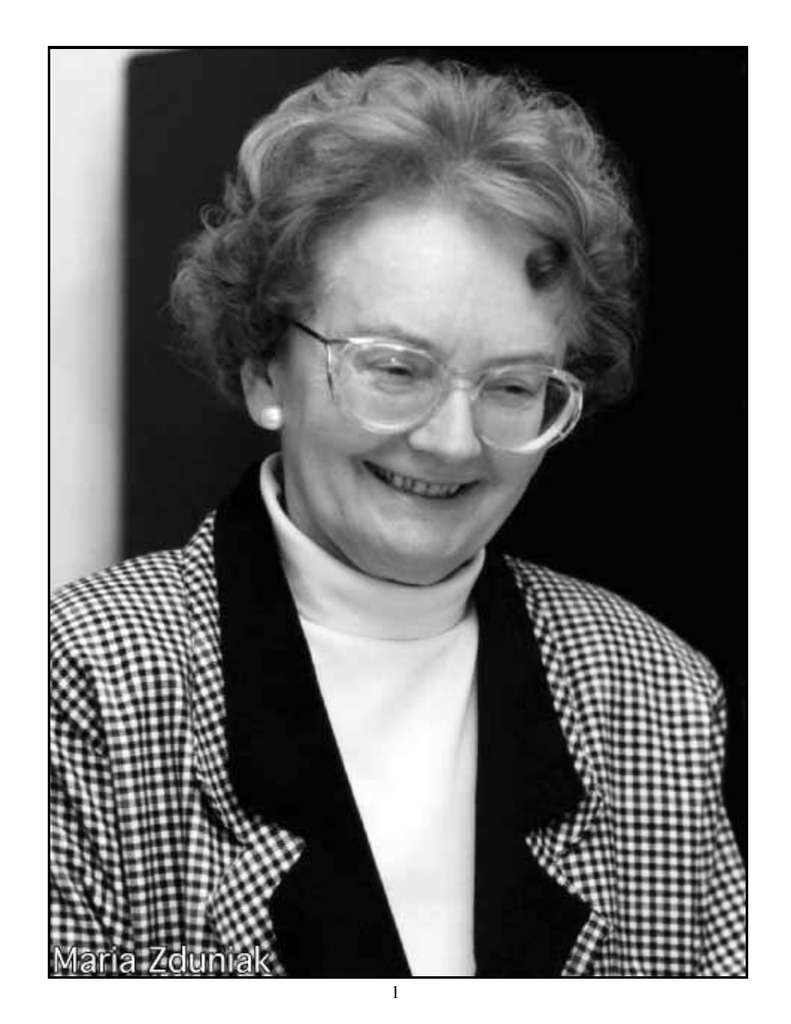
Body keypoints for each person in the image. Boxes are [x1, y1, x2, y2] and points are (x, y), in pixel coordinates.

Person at [49, 59, 745, 977]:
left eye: (512, 385)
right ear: (264, 369)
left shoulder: (655, 694)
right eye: (394, 368)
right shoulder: (83, 680)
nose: (454, 442)